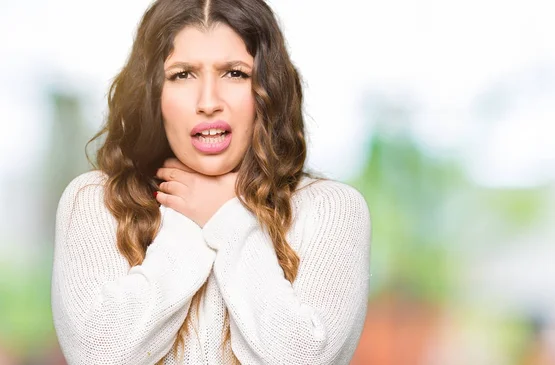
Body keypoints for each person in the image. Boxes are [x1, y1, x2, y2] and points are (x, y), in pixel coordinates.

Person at [50, 0, 371, 364]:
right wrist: (188, 222)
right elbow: (99, 354)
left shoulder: (330, 209)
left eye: (234, 73)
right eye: (182, 74)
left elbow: (303, 357)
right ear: (153, 93)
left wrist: (227, 217)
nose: (208, 102)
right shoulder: (96, 201)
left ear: (268, 88)